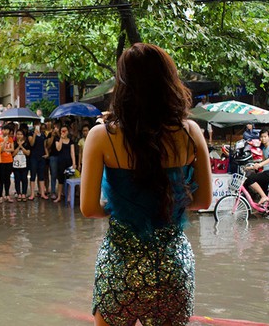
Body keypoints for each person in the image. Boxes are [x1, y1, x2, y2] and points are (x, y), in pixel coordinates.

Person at [80, 43, 211, 326]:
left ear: (123, 84)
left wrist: (119, 207)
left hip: (120, 266)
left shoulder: (101, 136)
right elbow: (202, 202)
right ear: (169, 81)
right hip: (173, 267)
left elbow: (89, 208)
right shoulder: (190, 133)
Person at [243, 129, 269, 206]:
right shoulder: (264, 149)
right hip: (266, 171)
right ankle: (265, 207)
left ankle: (264, 197)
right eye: (261, 137)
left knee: (251, 179)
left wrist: (259, 165)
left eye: (265, 136)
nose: (263, 138)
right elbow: (263, 161)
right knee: (261, 188)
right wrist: (251, 167)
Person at [53, 125, 76, 203]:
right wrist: (61, 138)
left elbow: (72, 152)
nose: (63, 132)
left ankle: (69, 196)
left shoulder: (71, 141)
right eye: (62, 131)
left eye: (65, 131)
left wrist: (74, 163)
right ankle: (59, 196)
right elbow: (58, 148)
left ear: (68, 132)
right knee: (60, 180)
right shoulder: (57, 139)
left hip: (69, 162)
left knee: (70, 179)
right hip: (61, 162)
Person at [28, 120, 48, 200]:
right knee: (33, 175)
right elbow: (31, 143)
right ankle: (32, 193)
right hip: (33, 157)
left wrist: (47, 153)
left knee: (41, 175)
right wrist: (35, 135)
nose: (37, 125)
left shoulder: (43, 135)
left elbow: (44, 145)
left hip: (41, 156)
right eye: (35, 124)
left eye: (38, 124)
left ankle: (42, 193)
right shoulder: (30, 133)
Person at [0, 124, 14, 202]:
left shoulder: (11, 138)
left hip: (9, 160)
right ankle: (0, 196)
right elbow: (0, 150)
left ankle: (7, 194)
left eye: (7, 130)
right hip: (1, 161)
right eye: (4, 129)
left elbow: (12, 149)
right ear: (1, 130)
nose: (6, 131)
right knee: (1, 179)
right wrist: (5, 142)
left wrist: (6, 149)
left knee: (7, 178)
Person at [12, 129, 31, 201]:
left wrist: (22, 147)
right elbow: (13, 154)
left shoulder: (26, 143)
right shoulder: (14, 143)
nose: (19, 136)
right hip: (15, 164)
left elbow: (28, 153)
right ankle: (18, 193)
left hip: (24, 164)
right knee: (17, 179)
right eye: (18, 134)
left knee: (24, 179)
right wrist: (18, 146)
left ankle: (24, 193)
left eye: (21, 134)